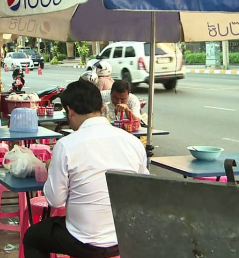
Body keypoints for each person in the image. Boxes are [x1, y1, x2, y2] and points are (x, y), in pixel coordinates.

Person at [23, 80, 148, 258]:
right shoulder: (133, 143)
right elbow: (144, 190)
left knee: (32, 237)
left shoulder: (66, 145)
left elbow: (55, 201)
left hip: (83, 241)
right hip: (123, 237)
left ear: (70, 111)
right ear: (101, 107)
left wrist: (53, 169)